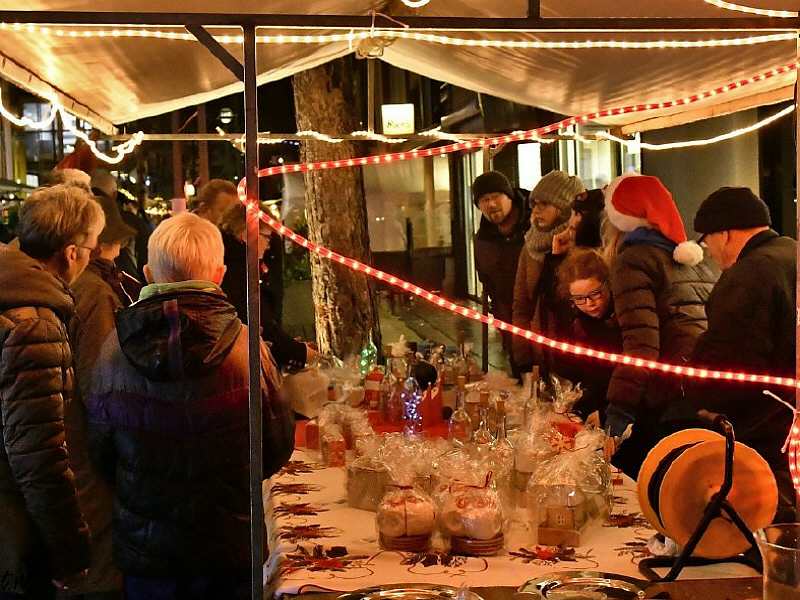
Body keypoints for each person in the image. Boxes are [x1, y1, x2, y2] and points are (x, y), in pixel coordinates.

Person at [85, 212, 295, 600]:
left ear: (148, 273)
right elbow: (277, 445)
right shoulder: (248, 350)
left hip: (148, 553)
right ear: (218, 274)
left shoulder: (113, 351)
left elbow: (100, 449)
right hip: (231, 546)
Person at [0, 184, 103, 599]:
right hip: (14, 530)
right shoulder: (34, 325)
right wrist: (69, 551)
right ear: (71, 252)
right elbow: (38, 454)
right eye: (92, 246)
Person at [688, 187, 796, 520]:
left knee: (774, 536)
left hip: (768, 427)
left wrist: (695, 392)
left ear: (725, 233)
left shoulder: (749, 274)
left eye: (707, 241)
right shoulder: (792, 252)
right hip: (790, 419)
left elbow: (731, 362)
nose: (709, 251)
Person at [602, 173, 719, 478]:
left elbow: (641, 345)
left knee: (646, 489)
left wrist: (619, 409)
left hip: (665, 398)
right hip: (701, 390)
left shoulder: (633, 260)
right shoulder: (697, 261)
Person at [66, 193, 138, 599]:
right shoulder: (94, 293)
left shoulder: (82, 286)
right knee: (96, 569)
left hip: (67, 446)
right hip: (85, 454)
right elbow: (99, 382)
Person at [219, 203, 315, 370]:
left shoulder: (235, 263)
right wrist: (301, 352)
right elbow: (259, 324)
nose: (269, 245)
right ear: (246, 234)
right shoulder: (240, 270)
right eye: (266, 237)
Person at [512, 170, 585, 376]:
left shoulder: (582, 244)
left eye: (544, 204)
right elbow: (521, 304)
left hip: (576, 352)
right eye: (534, 204)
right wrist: (522, 354)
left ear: (564, 208)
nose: (536, 211)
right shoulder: (531, 246)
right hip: (540, 352)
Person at [554, 248, 621, 424]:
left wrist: (605, 412)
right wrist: (577, 408)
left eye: (595, 294)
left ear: (608, 284)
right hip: (594, 408)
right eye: (579, 298)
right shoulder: (576, 325)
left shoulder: (624, 318)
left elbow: (625, 379)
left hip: (621, 409)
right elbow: (579, 377)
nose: (589, 304)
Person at [471, 171, 531, 361]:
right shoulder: (483, 239)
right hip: (508, 320)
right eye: (484, 200)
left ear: (509, 196)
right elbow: (487, 281)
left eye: (496, 196)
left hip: (540, 319)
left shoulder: (534, 225)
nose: (491, 204)